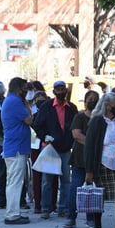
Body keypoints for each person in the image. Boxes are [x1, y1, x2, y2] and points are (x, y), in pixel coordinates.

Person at [84, 92, 115, 228]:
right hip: (102, 164)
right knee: (99, 197)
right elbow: (89, 147)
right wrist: (89, 170)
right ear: (108, 106)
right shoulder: (97, 122)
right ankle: (97, 227)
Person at [33, 80, 78, 219]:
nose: (60, 91)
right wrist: (44, 136)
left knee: (66, 180)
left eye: (62, 89)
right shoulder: (46, 107)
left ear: (66, 91)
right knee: (47, 180)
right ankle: (46, 208)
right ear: (53, 92)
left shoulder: (72, 108)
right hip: (50, 148)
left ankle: (63, 208)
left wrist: (71, 142)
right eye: (58, 89)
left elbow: (75, 126)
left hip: (65, 149)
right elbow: (37, 125)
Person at [62, 90, 99, 228]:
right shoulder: (79, 116)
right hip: (79, 159)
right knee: (75, 188)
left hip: (94, 161)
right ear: (85, 101)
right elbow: (76, 135)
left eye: (95, 99)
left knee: (91, 190)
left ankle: (91, 218)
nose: (93, 101)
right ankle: (71, 217)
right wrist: (93, 144)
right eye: (90, 99)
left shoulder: (100, 118)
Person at [1, 77, 32, 225]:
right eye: (25, 88)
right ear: (20, 89)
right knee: (15, 182)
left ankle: (13, 212)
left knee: (13, 181)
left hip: (15, 147)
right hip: (16, 148)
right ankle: (12, 214)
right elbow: (29, 120)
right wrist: (26, 103)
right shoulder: (15, 101)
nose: (27, 91)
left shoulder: (11, 100)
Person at [30, 91, 59, 214]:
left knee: (52, 177)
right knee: (37, 177)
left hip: (50, 147)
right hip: (36, 147)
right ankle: (38, 204)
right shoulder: (33, 115)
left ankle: (52, 204)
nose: (40, 102)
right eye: (37, 99)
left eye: (42, 99)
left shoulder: (51, 114)